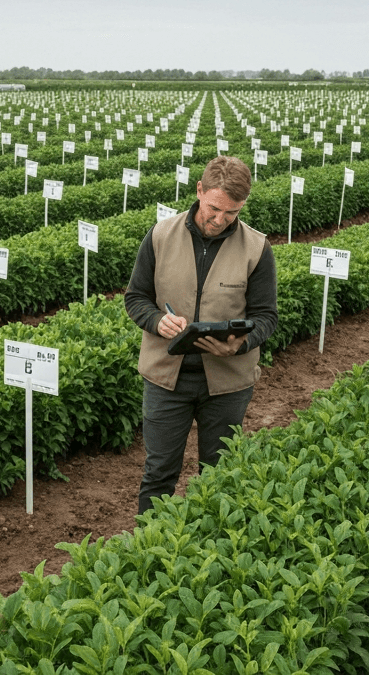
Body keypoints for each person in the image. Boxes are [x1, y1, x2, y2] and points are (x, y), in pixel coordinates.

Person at [125, 156, 278, 514]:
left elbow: (266, 316)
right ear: (199, 191)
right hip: (166, 379)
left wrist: (243, 342)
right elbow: (135, 298)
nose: (220, 220)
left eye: (232, 213)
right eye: (214, 208)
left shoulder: (256, 248)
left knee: (221, 474)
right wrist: (156, 321)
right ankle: (151, 546)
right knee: (159, 472)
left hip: (226, 384)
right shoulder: (161, 235)